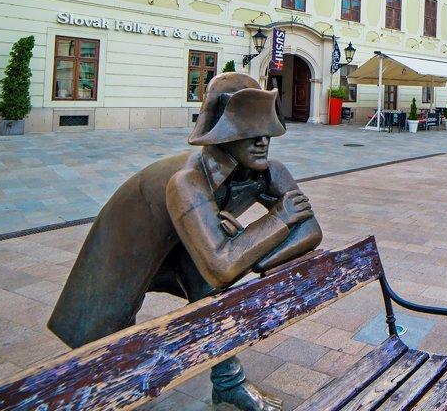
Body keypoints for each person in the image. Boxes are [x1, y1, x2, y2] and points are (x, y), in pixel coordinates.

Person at [48, 73, 322, 411]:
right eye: (250, 132)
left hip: (187, 239)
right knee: (99, 350)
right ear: (222, 135)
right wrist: (274, 222)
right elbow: (224, 266)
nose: (263, 141)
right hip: (126, 243)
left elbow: (310, 232)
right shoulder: (187, 181)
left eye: (266, 131)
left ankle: (228, 385)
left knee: (211, 295)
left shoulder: (268, 170)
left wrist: (247, 251)